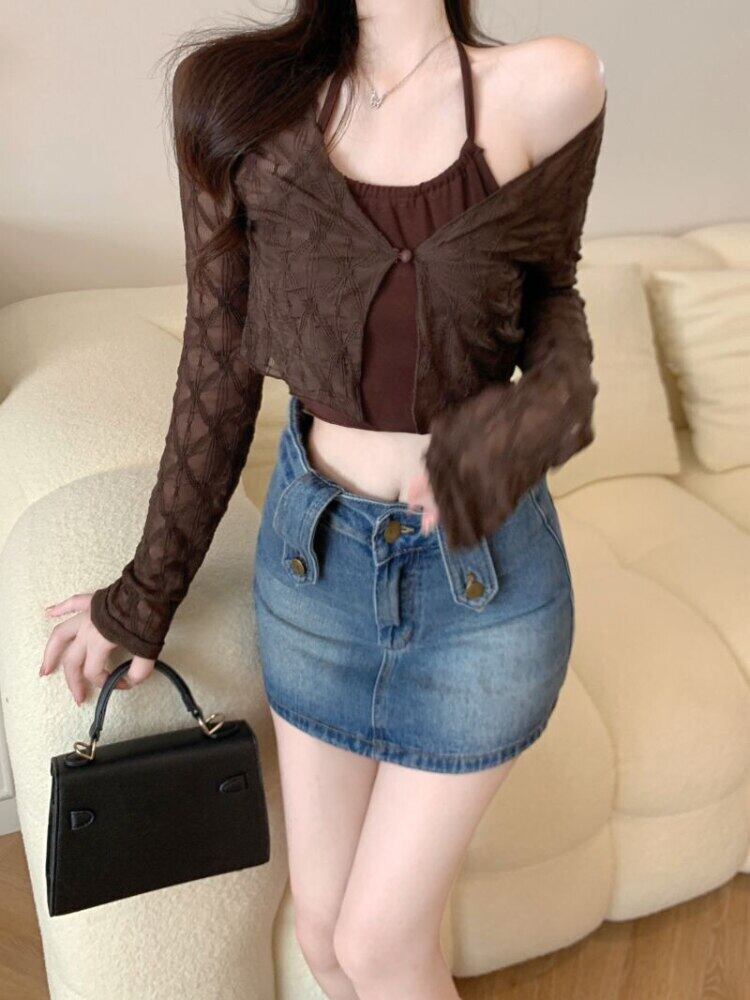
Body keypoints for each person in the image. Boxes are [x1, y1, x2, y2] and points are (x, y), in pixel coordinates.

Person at [40, 2, 606, 997]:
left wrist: (535, 418)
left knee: (382, 943)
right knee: (325, 937)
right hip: (315, 572)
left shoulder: (551, 86)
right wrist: (140, 599)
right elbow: (217, 370)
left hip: (484, 591)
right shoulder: (236, 100)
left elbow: (549, 294)